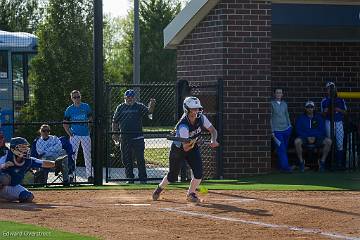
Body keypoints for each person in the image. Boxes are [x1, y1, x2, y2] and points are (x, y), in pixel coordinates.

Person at [152, 96, 219, 203]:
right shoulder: (183, 125)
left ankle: (190, 194)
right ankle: (159, 188)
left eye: (197, 108)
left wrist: (213, 140)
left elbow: (213, 130)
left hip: (192, 147)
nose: (196, 111)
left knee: (198, 173)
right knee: (172, 176)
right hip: (179, 150)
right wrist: (194, 141)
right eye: (193, 109)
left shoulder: (201, 118)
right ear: (187, 110)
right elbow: (185, 147)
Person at [112, 89, 156, 184]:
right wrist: (115, 134)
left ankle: (143, 179)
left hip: (138, 137)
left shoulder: (139, 106)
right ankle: (130, 178)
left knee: (140, 159)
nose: (130, 99)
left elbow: (149, 112)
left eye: (131, 97)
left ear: (134, 98)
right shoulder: (120, 107)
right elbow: (115, 121)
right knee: (126, 160)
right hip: (125, 138)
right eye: (128, 97)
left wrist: (152, 104)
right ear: (125, 98)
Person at [0, 137, 64, 202]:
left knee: (28, 197)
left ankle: (3, 198)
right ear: (13, 149)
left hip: (12, 186)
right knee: (5, 178)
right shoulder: (6, 158)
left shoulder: (28, 161)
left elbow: (43, 163)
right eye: (21, 147)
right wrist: (3, 165)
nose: (25, 150)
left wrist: (56, 163)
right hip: (2, 185)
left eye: (25, 147)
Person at [63, 90, 93, 182]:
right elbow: (65, 123)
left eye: (78, 96)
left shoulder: (86, 106)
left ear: (80, 97)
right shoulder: (69, 109)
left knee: (87, 155)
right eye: (74, 97)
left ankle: (90, 176)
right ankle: (71, 175)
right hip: (74, 135)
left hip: (85, 135)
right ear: (72, 98)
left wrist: (89, 128)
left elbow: (90, 118)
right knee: (72, 156)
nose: (77, 99)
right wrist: (69, 133)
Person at [294, 101, 332, 172]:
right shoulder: (301, 118)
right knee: (297, 141)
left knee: (328, 141)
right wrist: (307, 137)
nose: (310, 109)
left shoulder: (319, 118)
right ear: (305, 108)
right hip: (305, 138)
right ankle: (301, 162)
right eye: (308, 107)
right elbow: (298, 130)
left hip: (317, 138)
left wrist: (314, 136)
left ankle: (322, 161)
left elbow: (322, 130)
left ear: (314, 108)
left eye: (311, 107)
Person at [320, 81, 347, 169]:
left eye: (332, 88)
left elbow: (346, 112)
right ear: (327, 90)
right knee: (329, 142)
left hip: (338, 122)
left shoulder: (340, 100)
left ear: (335, 89)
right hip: (328, 122)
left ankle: (339, 163)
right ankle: (330, 163)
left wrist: (338, 109)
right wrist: (327, 111)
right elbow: (322, 115)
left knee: (339, 143)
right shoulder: (324, 100)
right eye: (329, 88)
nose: (331, 90)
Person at [270, 88, 293, 172]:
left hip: (286, 130)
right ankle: (286, 167)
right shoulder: (271, 104)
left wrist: (289, 126)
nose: (279, 94)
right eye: (277, 93)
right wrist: (272, 130)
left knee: (283, 149)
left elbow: (287, 115)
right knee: (281, 149)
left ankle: (280, 166)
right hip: (277, 131)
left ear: (282, 94)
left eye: (280, 93)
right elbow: (270, 118)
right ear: (274, 94)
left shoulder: (284, 104)